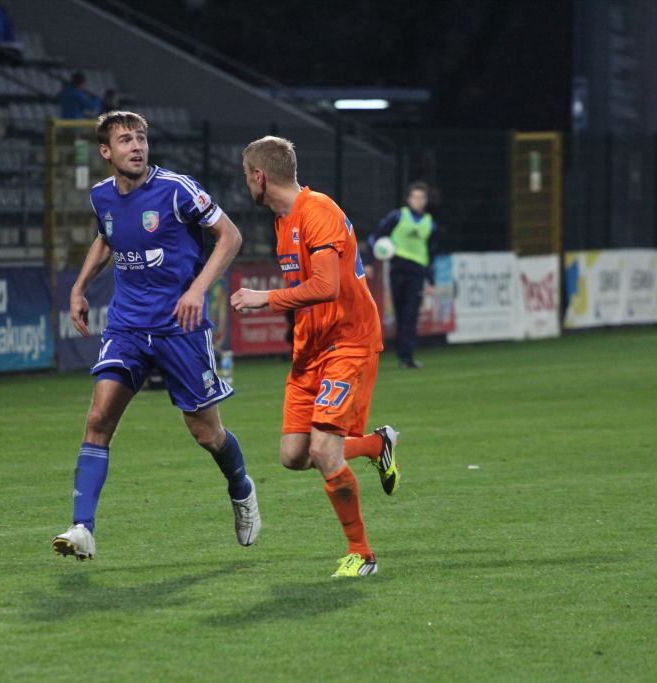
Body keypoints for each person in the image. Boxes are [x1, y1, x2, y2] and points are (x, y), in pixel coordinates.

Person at [52, 111, 260, 561]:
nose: (137, 146)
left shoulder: (177, 189)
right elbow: (106, 237)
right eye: (126, 140)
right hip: (127, 327)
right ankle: (82, 528)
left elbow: (230, 235)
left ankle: (241, 488)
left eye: (141, 138)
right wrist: (78, 286)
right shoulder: (102, 196)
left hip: (179, 328)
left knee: (207, 434)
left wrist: (197, 291)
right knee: (98, 419)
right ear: (106, 152)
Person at [231, 136, 401, 578]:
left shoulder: (318, 211)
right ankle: (378, 444)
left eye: (246, 175)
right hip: (311, 347)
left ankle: (362, 553)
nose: (245, 183)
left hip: (348, 341)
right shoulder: (284, 220)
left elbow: (327, 287)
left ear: (259, 176)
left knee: (325, 449)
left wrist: (263, 298)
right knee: (294, 454)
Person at [370, 181, 438, 369]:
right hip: (397, 271)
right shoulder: (398, 216)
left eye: (422, 198)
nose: (418, 201)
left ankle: (406, 356)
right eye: (415, 197)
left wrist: (431, 280)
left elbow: (431, 253)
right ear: (409, 199)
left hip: (417, 274)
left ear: (425, 201)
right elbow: (376, 236)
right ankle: (401, 353)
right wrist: (369, 260)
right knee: (400, 313)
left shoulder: (429, 223)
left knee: (410, 314)